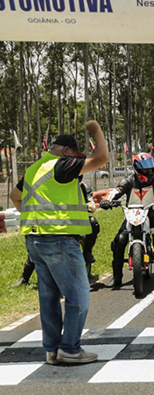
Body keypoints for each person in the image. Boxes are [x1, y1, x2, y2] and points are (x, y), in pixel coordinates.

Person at [10, 122, 109, 365]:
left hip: (35, 240)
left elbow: (15, 196)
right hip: (59, 240)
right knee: (79, 295)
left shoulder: (35, 168)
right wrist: (96, 130)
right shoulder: (62, 165)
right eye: (77, 158)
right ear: (67, 152)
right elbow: (102, 157)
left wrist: (36, 218)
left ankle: (52, 350)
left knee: (49, 298)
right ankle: (71, 349)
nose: (79, 165)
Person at [100, 153, 154, 288]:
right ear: (137, 168)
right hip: (131, 215)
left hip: (149, 213)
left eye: (151, 169)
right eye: (145, 169)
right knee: (119, 241)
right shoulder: (128, 180)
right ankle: (117, 278)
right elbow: (115, 191)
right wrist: (107, 200)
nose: (149, 172)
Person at [13, 179, 100, 287]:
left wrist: (88, 206)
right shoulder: (56, 187)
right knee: (37, 242)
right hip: (57, 223)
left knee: (93, 223)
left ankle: (87, 253)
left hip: (76, 224)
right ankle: (25, 277)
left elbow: (91, 204)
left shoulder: (83, 187)